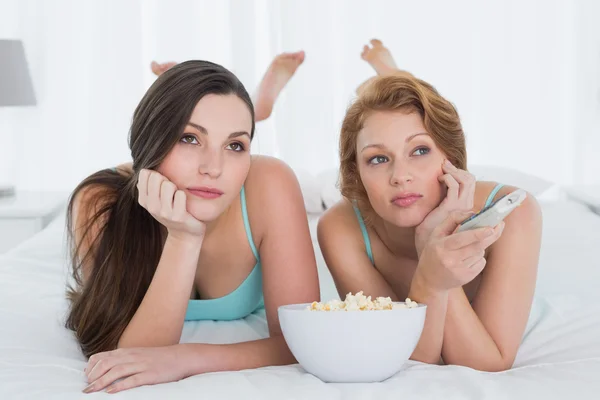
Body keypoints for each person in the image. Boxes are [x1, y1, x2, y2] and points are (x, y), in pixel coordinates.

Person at [68, 56, 318, 394]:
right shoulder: (99, 203)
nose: (213, 168)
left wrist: (184, 359)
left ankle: (248, 109)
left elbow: (301, 341)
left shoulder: (269, 182)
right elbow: (132, 357)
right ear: (151, 139)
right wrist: (184, 237)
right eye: (189, 138)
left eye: (235, 145)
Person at [317, 39, 542, 372]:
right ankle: (391, 77)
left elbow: (489, 363)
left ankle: (392, 75)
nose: (401, 177)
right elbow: (405, 357)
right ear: (357, 174)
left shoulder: (516, 213)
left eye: (420, 151)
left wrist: (440, 238)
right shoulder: (340, 229)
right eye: (378, 159)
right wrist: (433, 269)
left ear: (449, 157)